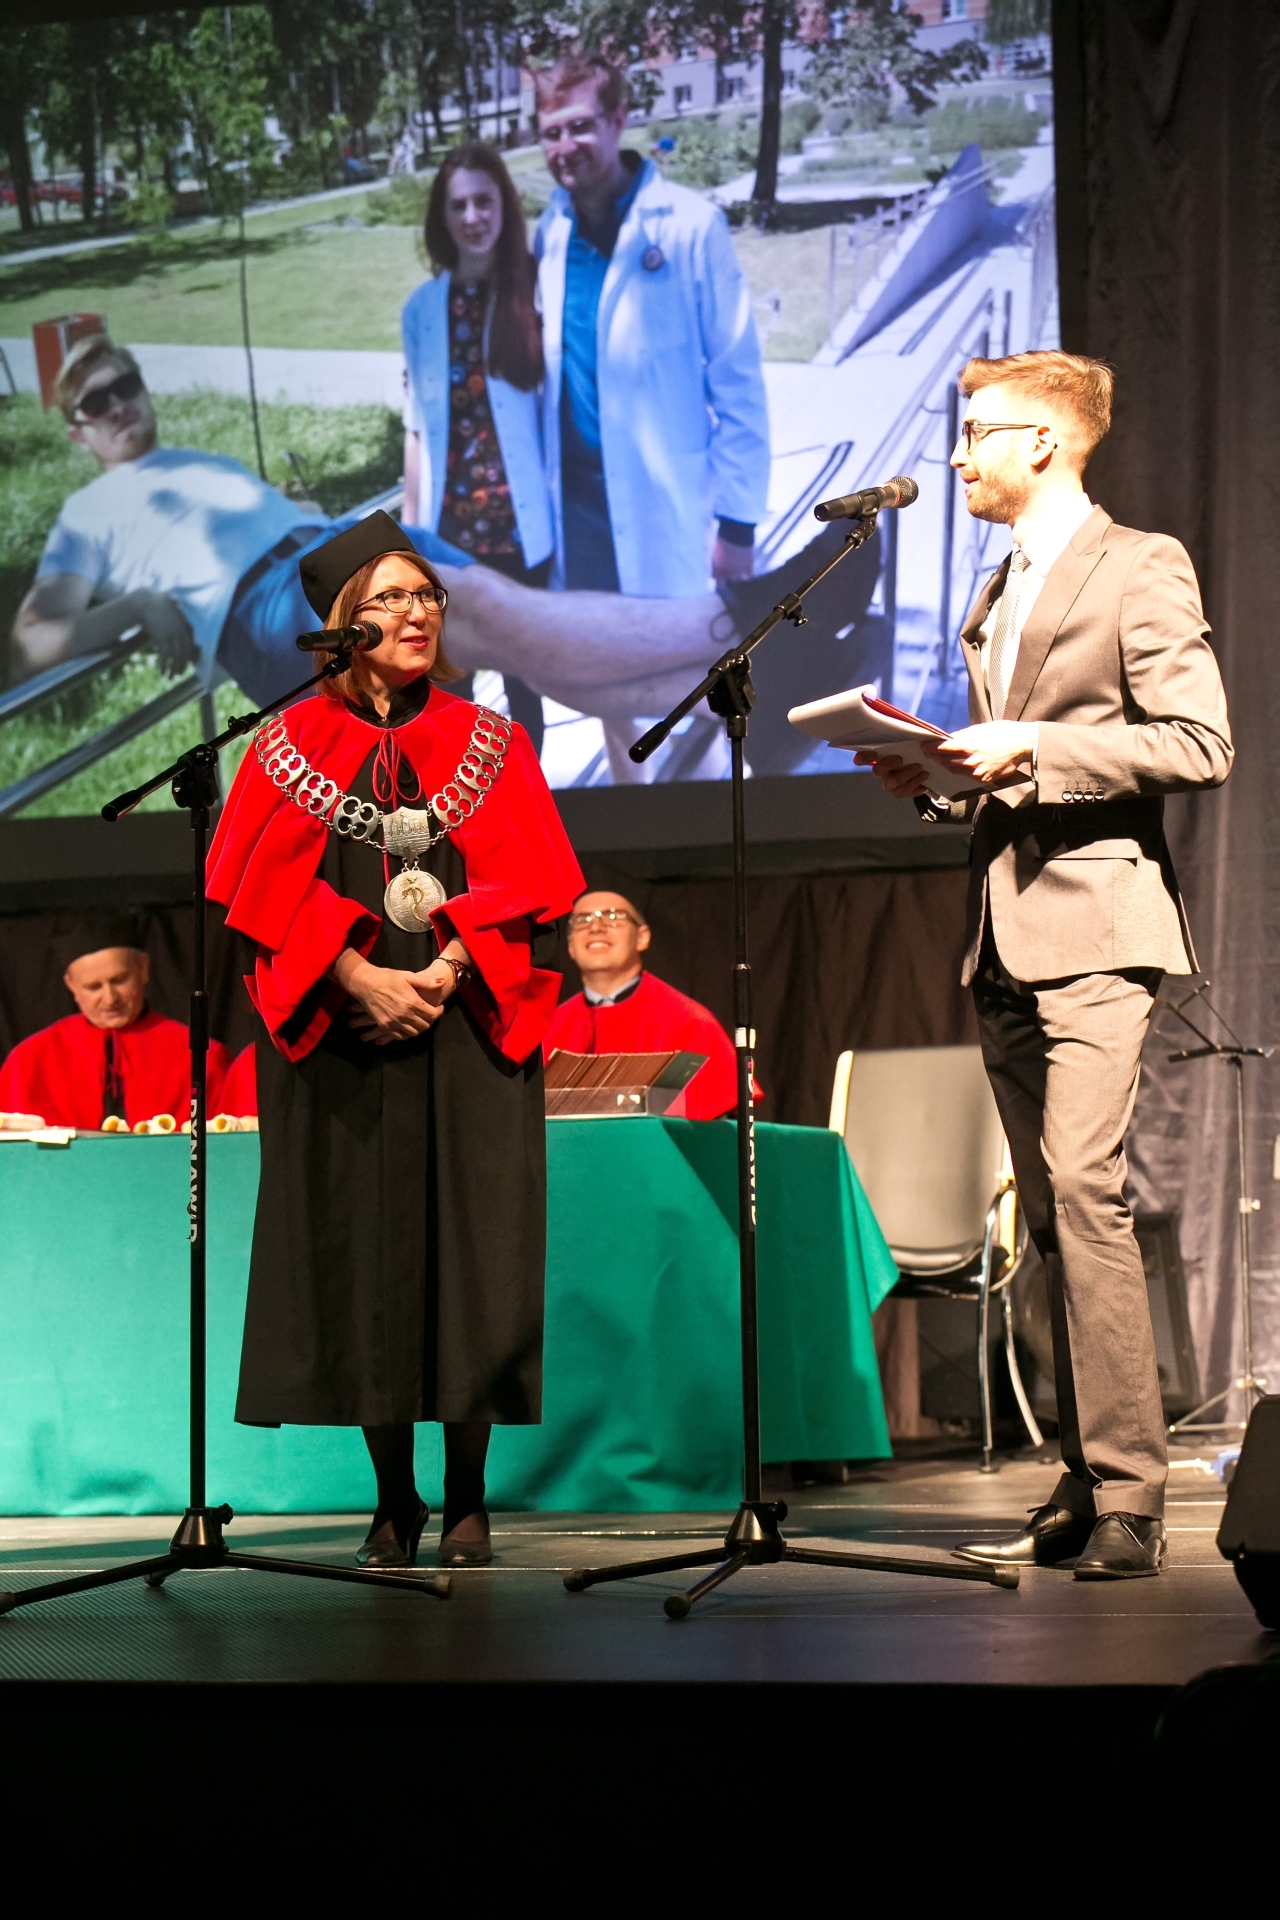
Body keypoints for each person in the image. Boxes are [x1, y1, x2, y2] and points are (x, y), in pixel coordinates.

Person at [859, 350, 1233, 1580]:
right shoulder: (994, 586)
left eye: (976, 433)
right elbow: (1004, 770)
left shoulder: (1137, 564)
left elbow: (1197, 741)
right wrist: (938, 779)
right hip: (1004, 926)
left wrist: (1031, 746)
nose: (957, 455)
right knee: (1049, 1216)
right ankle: (1082, 1471)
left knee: (1083, 1187)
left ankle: (1131, 1491)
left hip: (1098, 924)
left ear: (1043, 442)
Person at [206, 513, 583, 1569]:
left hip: (469, 1027)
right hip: (343, 1030)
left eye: (427, 597)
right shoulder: (284, 745)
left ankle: (466, 1495)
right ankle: (392, 1497)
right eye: (391, 599)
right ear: (343, 624)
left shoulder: (490, 741)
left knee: (472, 1256)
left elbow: (531, 883)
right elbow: (254, 892)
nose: (418, 614)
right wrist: (357, 975)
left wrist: (446, 969)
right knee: (362, 1255)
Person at [12, 333, 873, 779]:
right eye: (95, 401)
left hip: (330, 544)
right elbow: (35, 637)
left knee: (522, 631)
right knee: (491, 614)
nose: (117, 405)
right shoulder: (88, 512)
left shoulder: (191, 460)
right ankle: (753, 613)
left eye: (126, 384)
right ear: (75, 430)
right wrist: (139, 609)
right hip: (272, 605)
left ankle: (766, 689)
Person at [533, 51, 771, 779]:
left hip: (664, 505)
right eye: (550, 131)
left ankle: (725, 793)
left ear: (618, 120)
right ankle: (629, 791)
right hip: (577, 508)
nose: (565, 146)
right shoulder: (548, 231)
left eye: (580, 126)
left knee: (697, 671)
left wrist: (737, 525)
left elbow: (737, 380)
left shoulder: (691, 224)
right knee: (605, 668)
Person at [402, 141, 552, 751]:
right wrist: (408, 537)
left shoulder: (534, 292)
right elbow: (416, 425)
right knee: (452, 693)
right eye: (458, 205)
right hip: (451, 540)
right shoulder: (421, 309)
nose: (472, 217)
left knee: (525, 689)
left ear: (504, 206)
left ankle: (527, 799)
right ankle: (465, 805)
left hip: (522, 534)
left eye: (484, 201)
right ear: (442, 216)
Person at [0, 919, 228, 1131]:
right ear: (71, 985)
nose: (110, 999)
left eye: (119, 980)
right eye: (93, 987)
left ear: (144, 968)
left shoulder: (202, 1056)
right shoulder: (29, 1061)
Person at [545, 890, 741, 1121]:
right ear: (570, 945)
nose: (596, 927)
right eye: (582, 920)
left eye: (613, 916)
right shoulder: (546, 1028)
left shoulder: (688, 1021)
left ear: (642, 937)